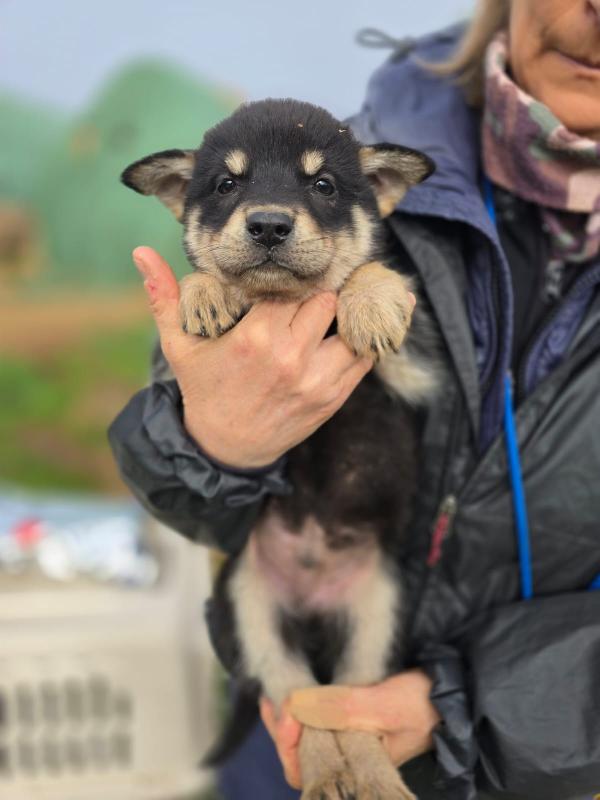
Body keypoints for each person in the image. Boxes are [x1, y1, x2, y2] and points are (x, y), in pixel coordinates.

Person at [108, 0, 600, 797]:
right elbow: (170, 484)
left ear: (376, 193)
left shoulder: (359, 190)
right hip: (278, 730)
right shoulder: (335, 152)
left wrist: (460, 707)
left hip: (534, 755)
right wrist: (209, 442)